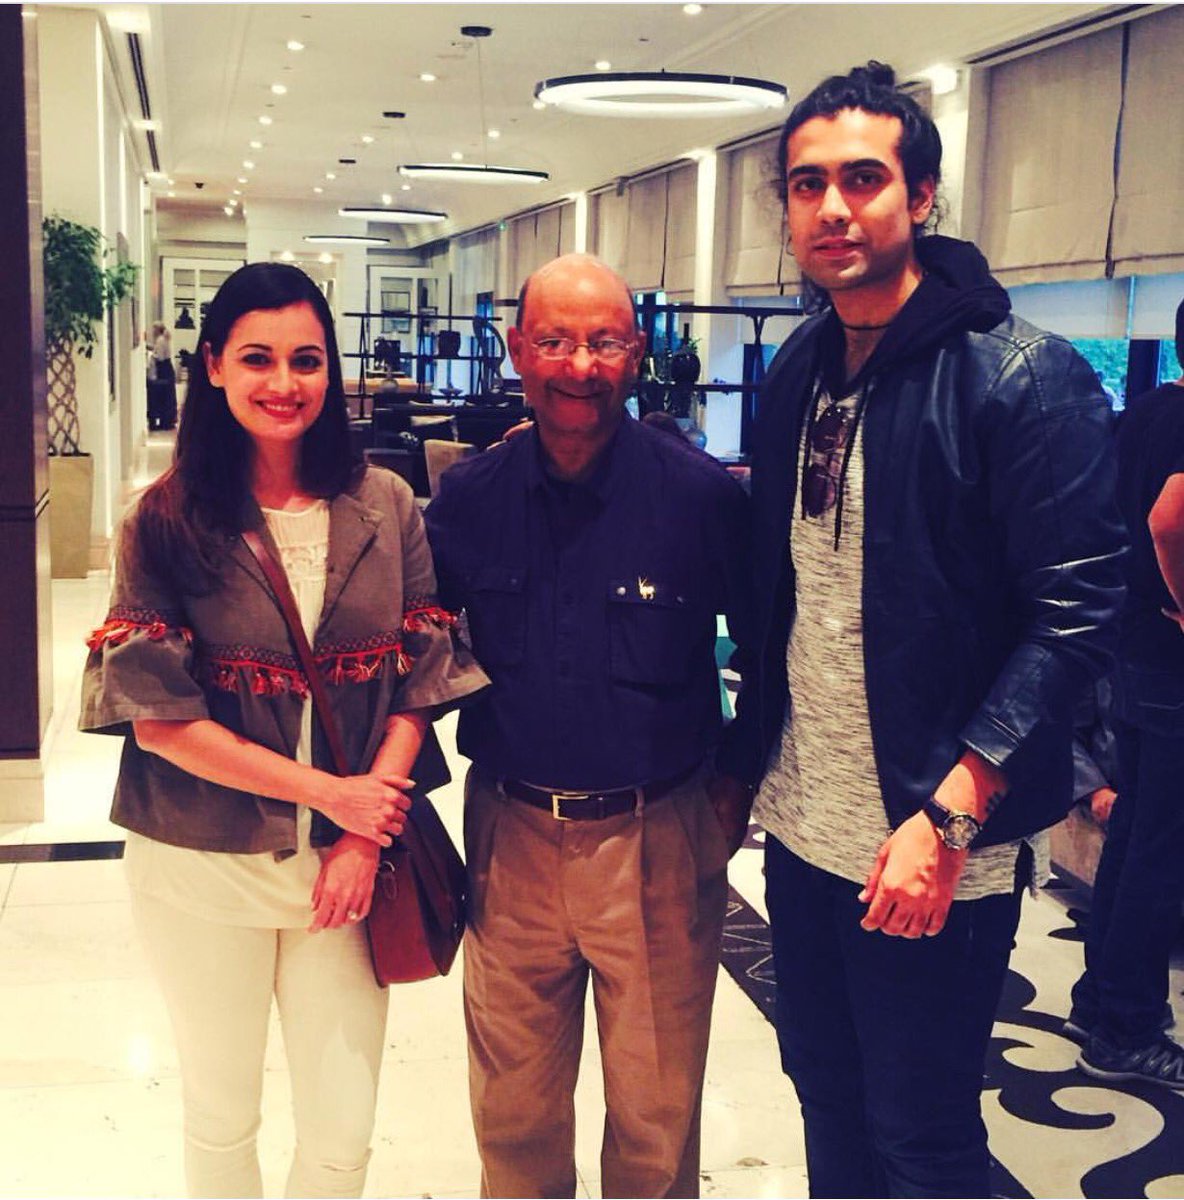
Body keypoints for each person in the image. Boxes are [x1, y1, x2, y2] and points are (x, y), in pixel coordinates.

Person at [720, 62, 1127, 1196]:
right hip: (802, 829)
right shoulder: (798, 368)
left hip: (934, 839)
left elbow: (1076, 618)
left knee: (923, 1136)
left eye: (863, 179)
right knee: (825, 1095)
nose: (832, 207)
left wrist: (950, 815)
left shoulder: (1021, 376)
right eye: (808, 184)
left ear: (923, 196)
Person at [80, 262, 488, 1199]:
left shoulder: (385, 504)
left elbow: (420, 679)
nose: (284, 382)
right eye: (257, 358)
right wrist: (333, 797)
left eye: (306, 359)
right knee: (222, 1116)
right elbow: (161, 724)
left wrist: (360, 831)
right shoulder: (163, 521)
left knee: (342, 1133)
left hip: (347, 871)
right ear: (214, 366)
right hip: (200, 864)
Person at [424, 253, 753, 1199]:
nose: (579, 365)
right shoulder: (470, 499)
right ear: (517, 349)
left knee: (656, 1120)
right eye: (556, 341)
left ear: (636, 352)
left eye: (603, 342)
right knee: (514, 1115)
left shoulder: (700, 498)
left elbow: (769, 652)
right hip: (511, 834)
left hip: (658, 837)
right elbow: (415, 653)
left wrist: (732, 790)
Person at [1069, 299, 1184, 1089]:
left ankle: (1099, 1000)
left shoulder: (1146, 409)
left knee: (1141, 832)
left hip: (1134, 640)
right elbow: (1169, 521)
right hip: (1169, 653)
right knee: (1162, 848)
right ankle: (1126, 1026)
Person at [148, 321, 178, 431]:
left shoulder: (160, 340)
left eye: (153, 329)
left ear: (157, 330)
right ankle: (168, 420)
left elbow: (160, 357)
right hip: (167, 369)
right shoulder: (163, 339)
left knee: (163, 396)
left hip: (163, 370)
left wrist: (152, 356)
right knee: (168, 395)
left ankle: (164, 421)